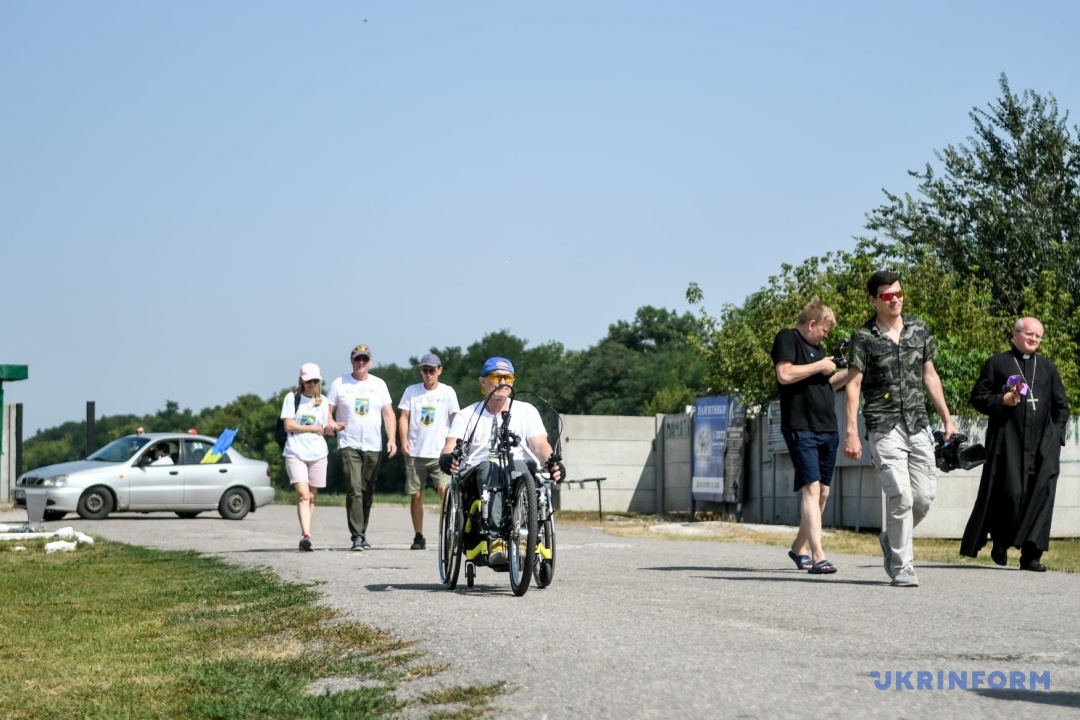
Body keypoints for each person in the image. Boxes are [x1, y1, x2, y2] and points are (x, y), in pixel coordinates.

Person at [843, 270, 958, 588]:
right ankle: (902, 565)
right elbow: (853, 386)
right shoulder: (863, 337)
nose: (895, 300)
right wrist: (851, 431)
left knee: (922, 499)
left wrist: (947, 419)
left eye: (899, 293)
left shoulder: (919, 329)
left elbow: (930, 375)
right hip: (883, 424)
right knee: (901, 496)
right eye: (887, 296)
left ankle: (890, 538)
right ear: (873, 300)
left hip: (918, 423)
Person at [960, 317, 1070, 571]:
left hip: (1043, 445)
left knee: (1041, 496)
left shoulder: (1048, 368)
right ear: (1016, 334)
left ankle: (1031, 555)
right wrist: (1001, 401)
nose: (1034, 339)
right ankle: (1001, 540)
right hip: (1008, 441)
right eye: (1030, 334)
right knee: (1011, 494)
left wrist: (1056, 436)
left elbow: (1061, 406)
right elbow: (977, 397)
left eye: (1038, 336)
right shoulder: (997, 363)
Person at [440, 356, 563, 566]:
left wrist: (551, 462)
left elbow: (539, 444)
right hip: (479, 471)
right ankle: (496, 539)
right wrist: (447, 457)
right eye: (496, 376)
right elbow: (451, 444)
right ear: (483, 381)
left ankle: (525, 532)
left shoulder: (526, 411)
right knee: (491, 466)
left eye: (508, 377)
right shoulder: (467, 414)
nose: (503, 382)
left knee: (522, 468)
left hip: (518, 469)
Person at [771, 298, 849, 575]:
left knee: (823, 492)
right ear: (812, 323)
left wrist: (851, 372)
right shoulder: (787, 338)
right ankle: (819, 556)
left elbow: (828, 384)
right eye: (824, 330)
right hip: (800, 425)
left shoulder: (820, 351)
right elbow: (784, 374)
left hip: (827, 427)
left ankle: (798, 548)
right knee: (811, 487)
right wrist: (821, 366)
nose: (825, 336)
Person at [327, 344, 398, 551]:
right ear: (351, 361)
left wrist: (391, 439)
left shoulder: (379, 384)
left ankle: (362, 533)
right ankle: (357, 535)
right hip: (349, 443)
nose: (361, 362)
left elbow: (388, 413)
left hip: (373, 445)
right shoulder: (339, 384)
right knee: (354, 489)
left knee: (367, 491)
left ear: (370, 362)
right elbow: (327, 410)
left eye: (364, 359)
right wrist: (331, 422)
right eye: (357, 359)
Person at [398, 353, 460, 550]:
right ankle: (418, 535)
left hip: (440, 452)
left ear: (439, 370)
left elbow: (456, 419)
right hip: (416, 451)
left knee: (445, 491)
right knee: (416, 495)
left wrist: (455, 445)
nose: (428, 374)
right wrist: (403, 440)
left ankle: (450, 529)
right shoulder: (411, 391)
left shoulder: (448, 392)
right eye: (425, 370)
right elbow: (403, 417)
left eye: (432, 370)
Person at [282, 363, 332, 552]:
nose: (312, 384)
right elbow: (288, 426)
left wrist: (333, 428)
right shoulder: (292, 399)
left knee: (311, 497)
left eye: (315, 380)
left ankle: (306, 537)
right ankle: (306, 534)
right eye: (308, 380)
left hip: (318, 453)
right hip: (295, 451)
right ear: (302, 381)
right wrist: (312, 428)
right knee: (303, 494)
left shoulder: (323, 401)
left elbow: (325, 427)